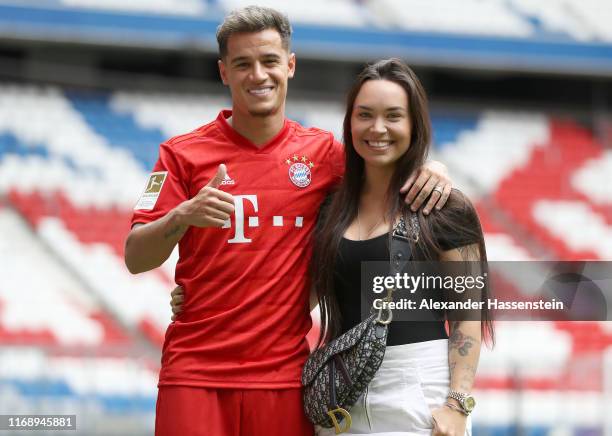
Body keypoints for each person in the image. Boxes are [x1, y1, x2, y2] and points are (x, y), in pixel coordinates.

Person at [125, 6, 452, 436]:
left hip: (285, 379)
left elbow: (389, 169)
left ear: (290, 65)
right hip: (195, 373)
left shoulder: (324, 156)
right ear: (224, 72)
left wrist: (438, 169)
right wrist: (183, 216)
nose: (257, 75)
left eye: (269, 61)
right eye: (242, 64)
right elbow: (135, 257)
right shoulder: (179, 155)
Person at [174, 58, 494, 435]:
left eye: (393, 116)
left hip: (421, 393)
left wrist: (457, 404)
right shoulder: (330, 207)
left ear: (414, 125)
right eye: (365, 115)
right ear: (350, 123)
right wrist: (210, 295)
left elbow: (468, 317)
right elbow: (297, 292)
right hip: (342, 395)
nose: (378, 129)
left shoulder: (444, 207)